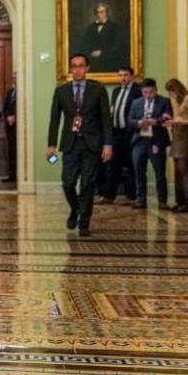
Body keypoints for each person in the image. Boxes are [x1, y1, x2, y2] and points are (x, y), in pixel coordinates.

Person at [47, 53, 113, 237]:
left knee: (87, 185)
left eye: (81, 65)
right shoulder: (61, 91)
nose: (78, 69)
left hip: (92, 144)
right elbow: (54, 119)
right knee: (67, 183)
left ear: (87, 68)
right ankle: (75, 209)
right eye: (74, 66)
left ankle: (84, 222)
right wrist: (51, 145)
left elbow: (106, 120)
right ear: (71, 69)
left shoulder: (98, 90)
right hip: (70, 143)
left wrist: (108, 144)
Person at [97, 66, 142, 204]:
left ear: (132, 76)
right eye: (120, 75)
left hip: (131, 133)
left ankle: (131, 196)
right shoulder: (116, 91)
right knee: (112, 165)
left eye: (126, 75)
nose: (123, 78)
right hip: (116, 132)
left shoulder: (137, 91)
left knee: (132, 165)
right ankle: (108, 195)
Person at [128, 78, 173, 210]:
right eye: (145, 92)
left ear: (156, 90)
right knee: (139, 171)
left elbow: (168, 116)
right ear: (142, 92)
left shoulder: (164, 101)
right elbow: (130, 120)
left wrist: (157, 122)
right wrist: (138, 123)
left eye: (151, 92)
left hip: (156, 141)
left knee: (159, 172)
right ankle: (140, 199)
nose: (148, 95)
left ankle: (162, 201)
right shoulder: (136, 102)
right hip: (139, 141)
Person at [164, 78, 188, 213]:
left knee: (182, 169)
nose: (170, 95)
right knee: (177, 170)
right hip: (177, 135)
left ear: (176, 89)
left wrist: (178, 122)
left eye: (171, 92)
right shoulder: (179, 101)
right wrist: (173, 121)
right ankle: (179, 201)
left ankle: (186, 202)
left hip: (184, 136)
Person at [79, 3, 125, 73]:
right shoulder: (90, 28)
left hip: (109, 62)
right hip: (93, 63)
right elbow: (84, 45)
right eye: (97, 12)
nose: (98, 14)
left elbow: (117, 47)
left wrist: (102, 53)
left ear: (107, 13)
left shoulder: (114, 27)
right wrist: (90, 53)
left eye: (101, 12)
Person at [4, 72, 17, 182]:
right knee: (11, 151)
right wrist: (8, 117)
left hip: (19, 127)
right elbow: (5, 107)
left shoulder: (23, 92)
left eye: (16, 76)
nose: (14, 78)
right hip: (10, 127)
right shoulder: (10, 92)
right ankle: (12, 175)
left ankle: (19, 176)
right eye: (13, 76)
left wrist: (16, 117)